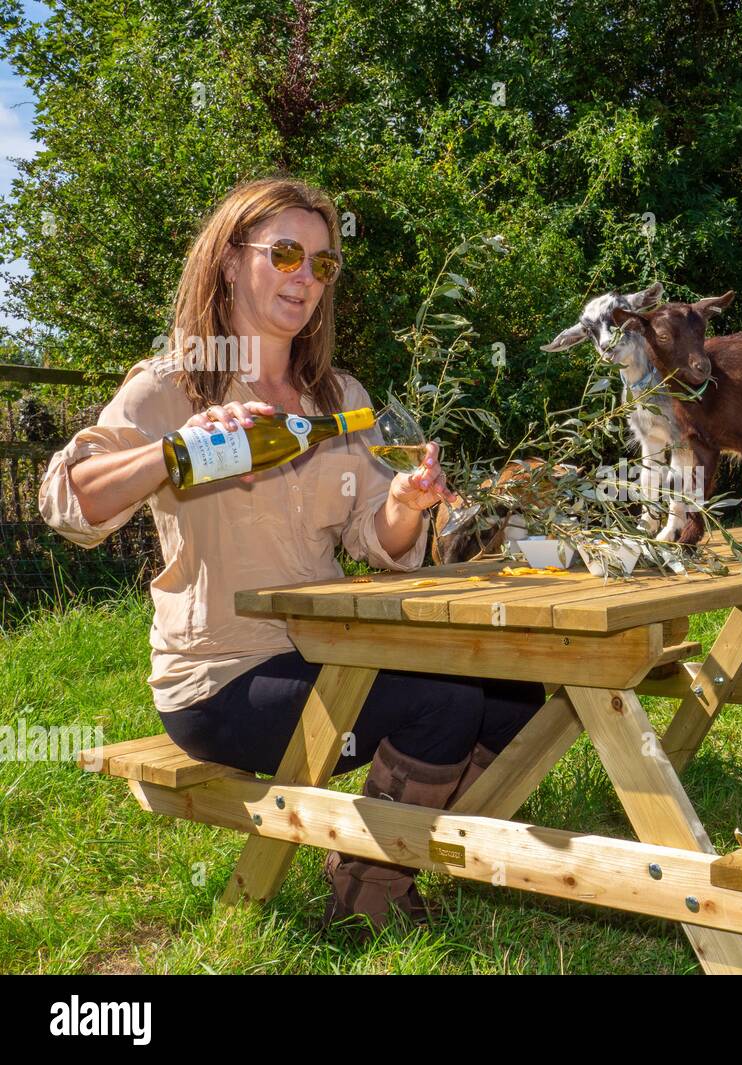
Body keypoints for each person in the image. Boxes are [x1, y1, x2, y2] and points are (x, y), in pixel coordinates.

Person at [38, 176, 546, 933]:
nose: (305, 277)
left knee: (515, 688)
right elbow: (68, 503)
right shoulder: (172, 384)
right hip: (221, 677)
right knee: (443, 701)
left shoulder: (337, 396)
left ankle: (407, 850)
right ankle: (366, 898)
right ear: (228, 261)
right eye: (284, 254)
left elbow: (382, 542)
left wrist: (404, 502)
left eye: (322, 263)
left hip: (327, 647)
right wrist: (179, 453)